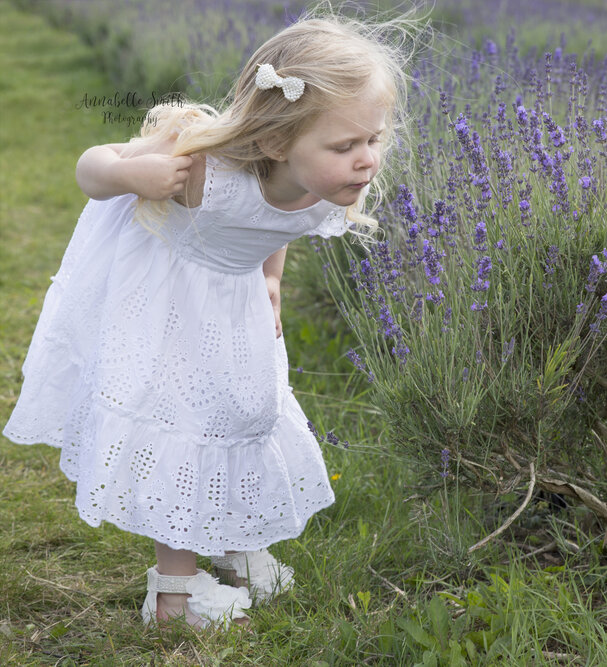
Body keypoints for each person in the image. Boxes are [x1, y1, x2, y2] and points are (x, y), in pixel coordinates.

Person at [3, 7, 407, 629]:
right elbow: (90, 166)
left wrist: (271, 276)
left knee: (246, 412)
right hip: (168, 305)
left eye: (374, 139)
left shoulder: (320, 183)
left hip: (234, 304)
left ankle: (234, 543)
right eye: (346, 145)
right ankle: (174, 593)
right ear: (275, 142)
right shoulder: (203, 172)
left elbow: (283, 221)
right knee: (187, 423)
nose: (366, 160)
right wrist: (127, 172)